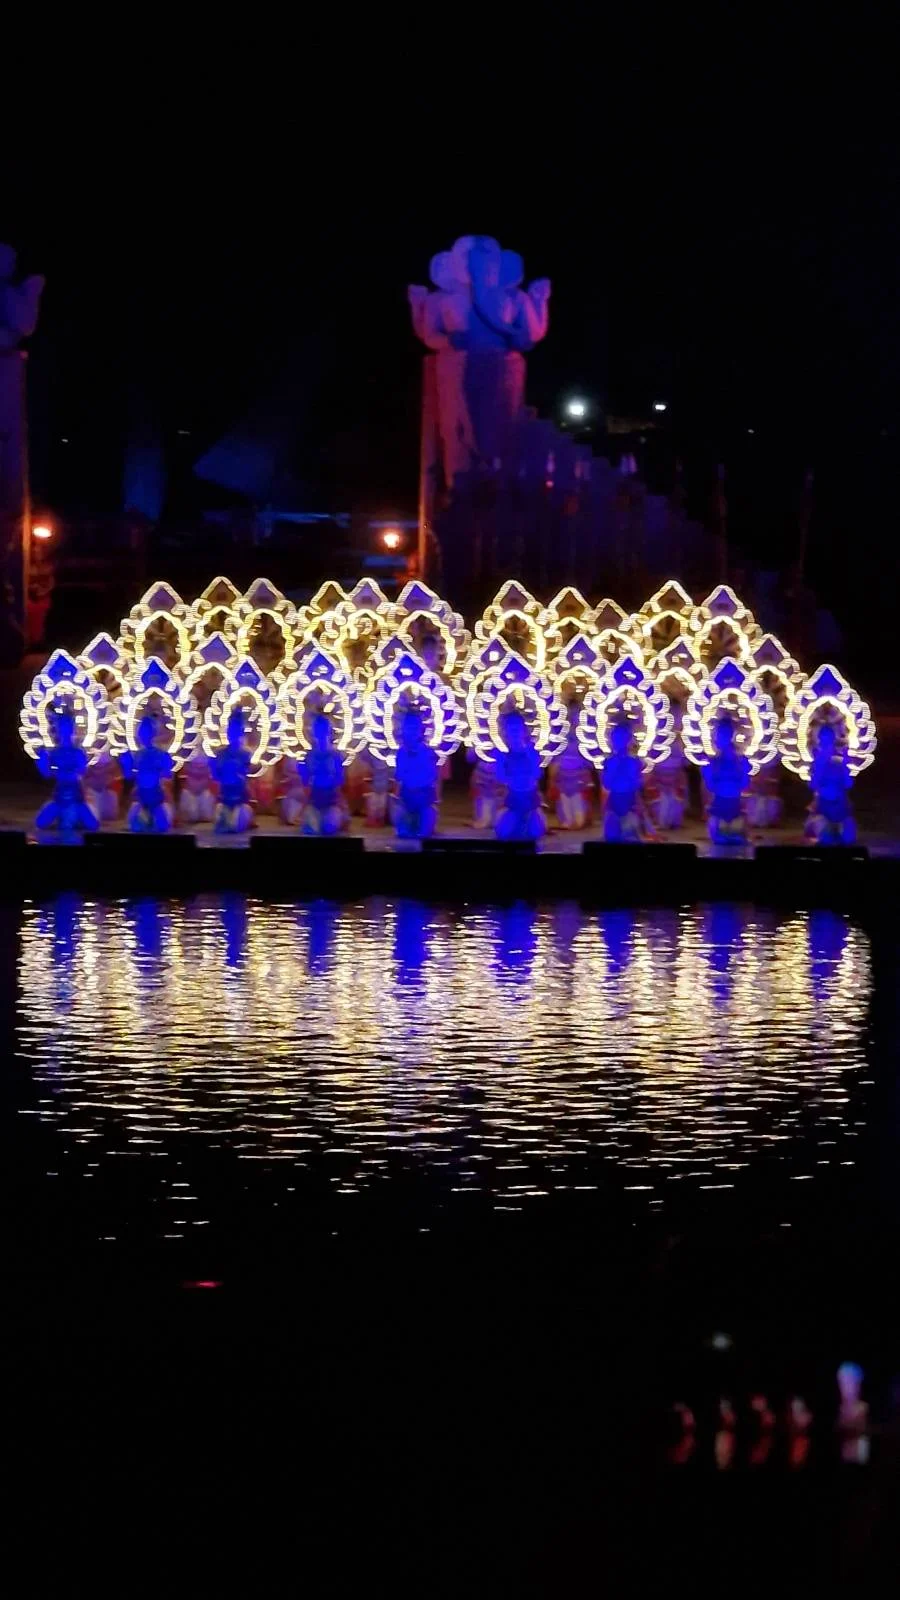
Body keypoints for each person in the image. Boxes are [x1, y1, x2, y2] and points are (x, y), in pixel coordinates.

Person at [35, 702, 100, 832]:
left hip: (76, 797)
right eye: (61, 726)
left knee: (93, 825)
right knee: (40, 822)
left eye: (67, 726)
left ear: (72, 728)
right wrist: (42, 763)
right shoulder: (54, 752)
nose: (64, 730)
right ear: (57, 729)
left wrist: (67, 773)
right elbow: (47, 774)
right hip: (59, 797)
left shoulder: (78, 752)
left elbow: (82, 772)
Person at [495, 709, 545, 841]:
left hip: (530, 799)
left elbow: (537, 774)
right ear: (505, 732)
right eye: (511, 729)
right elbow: (500, 777)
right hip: (512, 799)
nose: (515, 733)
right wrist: (501, 764)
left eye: (517, 729)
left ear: (524, 730)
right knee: (505, 832)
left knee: (534, 832)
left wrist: (530, 757)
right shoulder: (503, 754)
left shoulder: (531, 751)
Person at [122, 713, 175, 832]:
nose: (142, 734)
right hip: (141, 799)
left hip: (156, 799)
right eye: (141, 731)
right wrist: (126, 766)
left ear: (153, 733)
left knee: (161, 826)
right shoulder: (137, 755)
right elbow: (130, 776)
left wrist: (156, 770)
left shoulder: (161, 755)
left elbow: (168, 775)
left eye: (146, 731)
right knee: (135, 826)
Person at [394, 705, 439, 838]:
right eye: (407, 728)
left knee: (425, 825)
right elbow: (400, 775)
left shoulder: (428, 753)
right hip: (406, 799)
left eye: (414, 728)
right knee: (402, 828)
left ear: (421, 730)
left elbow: (430, 777)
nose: (410, 732)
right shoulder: (401, 753)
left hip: (423, 800)